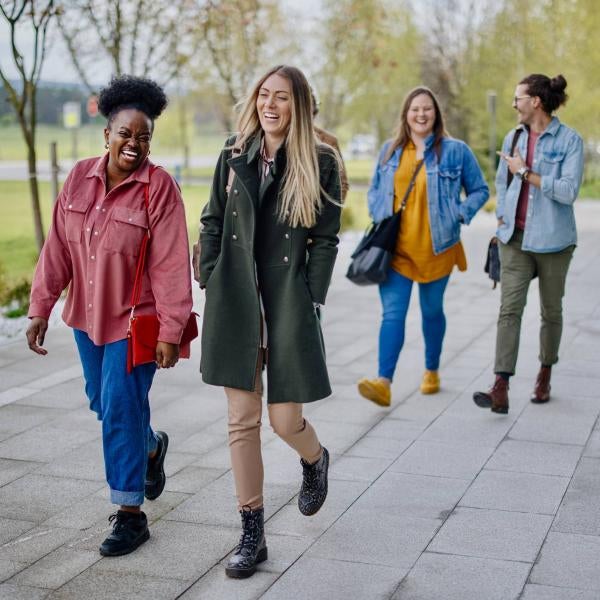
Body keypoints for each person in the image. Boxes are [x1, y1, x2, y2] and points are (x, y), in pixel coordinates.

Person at [26, 76, 193, 556]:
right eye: (125, 133)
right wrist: (41, 306)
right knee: (102, 402)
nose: (134, 144)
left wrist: (170, 330)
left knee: (119, 408)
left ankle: (130, 515)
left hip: (133, 322)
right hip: (85, 318)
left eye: (144, 137)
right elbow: (57, 246)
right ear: (106, 133)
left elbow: (170, 266)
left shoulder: (158, 189)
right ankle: (150, 446)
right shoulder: (79, 177)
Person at [198, 65, 342, 579]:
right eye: (263, 95)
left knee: (284, 421)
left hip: (284, 302)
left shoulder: (319, 161)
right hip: (236, 300)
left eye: (281, 98)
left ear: (298, 105)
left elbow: (326, 237)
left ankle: (315, 459)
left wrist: (311, 295)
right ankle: (251, 531)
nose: (269, 105)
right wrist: (209, 273)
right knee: (242, 420)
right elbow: (212, 219)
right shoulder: (232, 153)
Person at [357, 86, 489, 407]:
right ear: (406, 114)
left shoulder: (455, 151)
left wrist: (459, 213)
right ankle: (384, 382)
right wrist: (379, 213)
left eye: (427, 109)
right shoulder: (390, 150)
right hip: (395, 251)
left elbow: (479, 190)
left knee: (431, 312)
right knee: (392, 315)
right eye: (415, 109)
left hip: (437, 248)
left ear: (436, 114)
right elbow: (374, 190)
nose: (421, 114)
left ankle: (431, 370)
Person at [473, 74, 583, 414]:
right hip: (515, 240)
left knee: (551, 312)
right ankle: (500, 386)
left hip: (554, 243)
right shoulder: (513, 137)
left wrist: (526, 173)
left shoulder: (569, 140)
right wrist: (503, 216)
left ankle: (545, 372)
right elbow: (504, 183)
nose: (513, 105)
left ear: (535, 101)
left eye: (517, 98)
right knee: (509, 311)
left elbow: (567, 192)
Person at [311, 88, 349, 201]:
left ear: (313, 110)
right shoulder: (280, 137)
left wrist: (330, 215)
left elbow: (342, 184)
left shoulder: (329, 141)